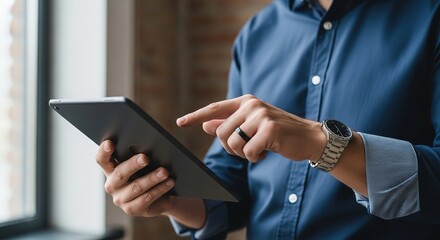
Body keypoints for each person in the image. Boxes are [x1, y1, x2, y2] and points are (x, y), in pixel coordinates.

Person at [96, 0, 440, 239]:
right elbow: (232, 177)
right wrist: (170, 196)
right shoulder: (256, 34)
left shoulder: (431, 16)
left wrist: (321, 144)